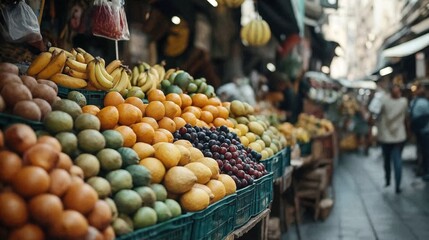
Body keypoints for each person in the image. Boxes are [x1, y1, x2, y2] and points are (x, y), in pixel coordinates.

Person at [376, 84, 408, 193]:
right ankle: (397, 185)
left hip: (386, 136)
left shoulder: (384, 101)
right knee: (397, 160)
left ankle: (388, 179)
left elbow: (377, 111)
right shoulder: (404, 102)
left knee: (387, 159)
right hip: (399, 136)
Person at [409, 80, 429, 181]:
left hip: (420, 130)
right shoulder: (424, 102)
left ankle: (423, 169)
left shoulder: (414, 102)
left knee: (422, 150)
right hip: (424, 130)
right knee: (425, 151)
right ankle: (425, 169)